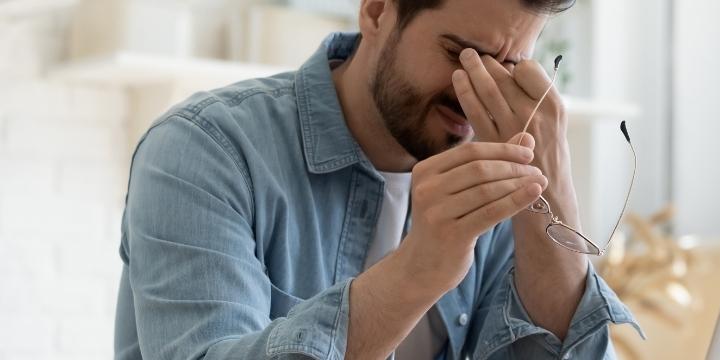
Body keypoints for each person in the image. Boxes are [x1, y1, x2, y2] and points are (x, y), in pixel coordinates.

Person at [113, 0, 640, 358]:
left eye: (511, 65)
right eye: (461, 55)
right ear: (377, 10)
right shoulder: (204, 150)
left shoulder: (499, 174)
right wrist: (418, 270)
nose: (477, 91)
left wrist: (555, 194)